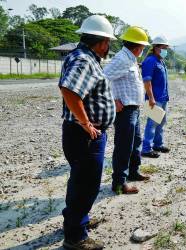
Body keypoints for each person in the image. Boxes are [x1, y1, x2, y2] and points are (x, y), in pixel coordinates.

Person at [59, 15, 116, 249]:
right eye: (108, 43)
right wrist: (86, 124)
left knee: (80, 181)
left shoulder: (82, 56)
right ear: (102, 41)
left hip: (82, 134)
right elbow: (70, 90)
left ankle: (77, 221)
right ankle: (76, 237)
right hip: (84, 136)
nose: (108, 47)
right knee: (86, 184)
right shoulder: (84, 60)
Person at [103, 26, 151, 195]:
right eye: (143, 47)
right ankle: (119, 183)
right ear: (138, 47)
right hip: (125, 111)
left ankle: (133, 171)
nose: (143, 50)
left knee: (135, 143)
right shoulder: (122, 59)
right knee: (124, 146)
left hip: (134, 109)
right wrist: (113, 100)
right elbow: (102, 78)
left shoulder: (130, 58)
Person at [141, 36, 171, 158]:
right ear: (156, 47)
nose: (166, 50)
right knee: (152, 123)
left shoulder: (161, 61)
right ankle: (146, 149)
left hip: (163, 98)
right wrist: (151, 98)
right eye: (164, 48)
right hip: (154, 99)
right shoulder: (150, 61)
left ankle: (158, 144)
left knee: (162, 122)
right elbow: (147, 81)